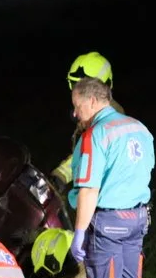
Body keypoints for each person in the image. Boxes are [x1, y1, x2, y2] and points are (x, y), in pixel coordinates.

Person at [67, 76, 156, 278]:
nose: (75, 113)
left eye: (77, 106)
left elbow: (89, 189)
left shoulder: (96, 134)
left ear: (92, 101)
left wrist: (79, 232)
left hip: (107, 223)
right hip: (137, 219)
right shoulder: (140, 128)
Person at [51, 51, 127, 195]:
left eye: (83, 89)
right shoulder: (94, 113)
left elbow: (91, 157)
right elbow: (83, 153)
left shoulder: (109, 122)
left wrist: (61, 176)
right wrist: (60, 176)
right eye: (75, 85)